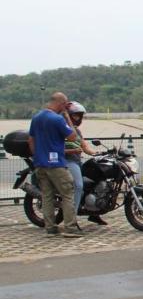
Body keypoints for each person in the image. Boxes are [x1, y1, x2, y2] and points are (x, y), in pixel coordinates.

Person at [27, 92, 83, 237]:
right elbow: (73, 136)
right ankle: (70, 227)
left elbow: (31, 140)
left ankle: (50, 228)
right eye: (65, 105)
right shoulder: (57, 119)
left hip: (40, 163)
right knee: (68, 193)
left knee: (47, 196)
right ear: (60, 103)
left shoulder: (37, 117)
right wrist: (66, 117)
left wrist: (37, 157)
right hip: (56, 163)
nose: (65, 108)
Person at [64, 101, 104, 225]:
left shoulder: (77, 132)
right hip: (68, 162)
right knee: (79, 186)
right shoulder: (63, 130)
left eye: (79, 116)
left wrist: (98, 153)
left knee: (98, 180)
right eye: (75, 115)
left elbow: (85, 147)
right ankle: (72, 218)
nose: (78, 118)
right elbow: (57, 149)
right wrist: (73, 150)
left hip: (77, 162)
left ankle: (94, 212)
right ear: (69, 116)